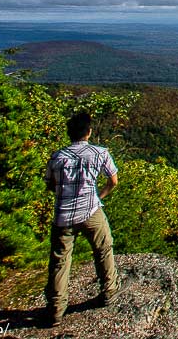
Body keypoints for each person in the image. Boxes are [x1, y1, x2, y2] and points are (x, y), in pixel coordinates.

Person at [44, 112, 120, 327]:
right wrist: (99, 196)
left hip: (63, 216)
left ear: (69, 134)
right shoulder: (99, 153)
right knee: (104, 249)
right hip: (91, 211)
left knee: (60, 260)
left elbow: (50, 184)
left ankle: (56, 309)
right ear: (89, 131)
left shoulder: (57, 157)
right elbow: (113, 181)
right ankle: (109, 291)